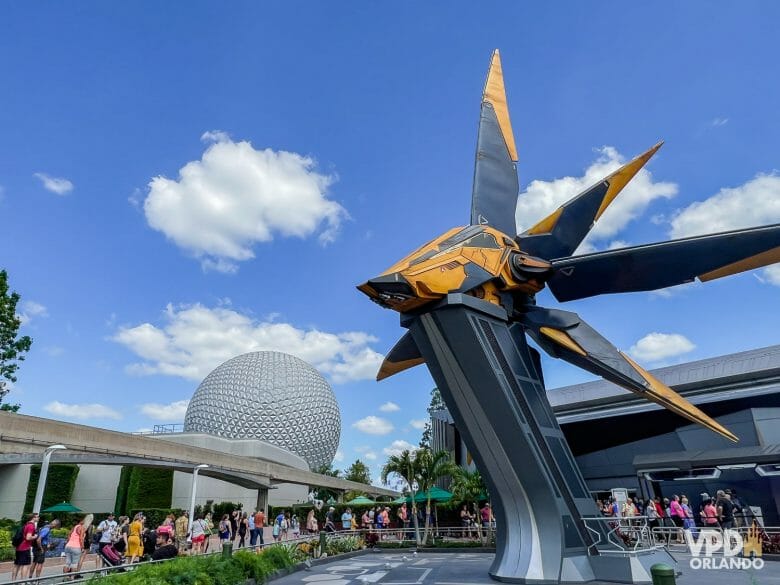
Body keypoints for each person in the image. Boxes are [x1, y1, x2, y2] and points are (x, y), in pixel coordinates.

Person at [12, 512, 38, 581]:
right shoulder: (31, 526)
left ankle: (13, 581)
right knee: (25, 565)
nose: (38, 518)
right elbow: (28, 537)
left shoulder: (26, 525)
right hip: (25, 548)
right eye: (37, 517)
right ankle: (23, 581)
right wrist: (35, 536)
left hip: (19, 548)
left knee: (16, 565)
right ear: (33, 518)